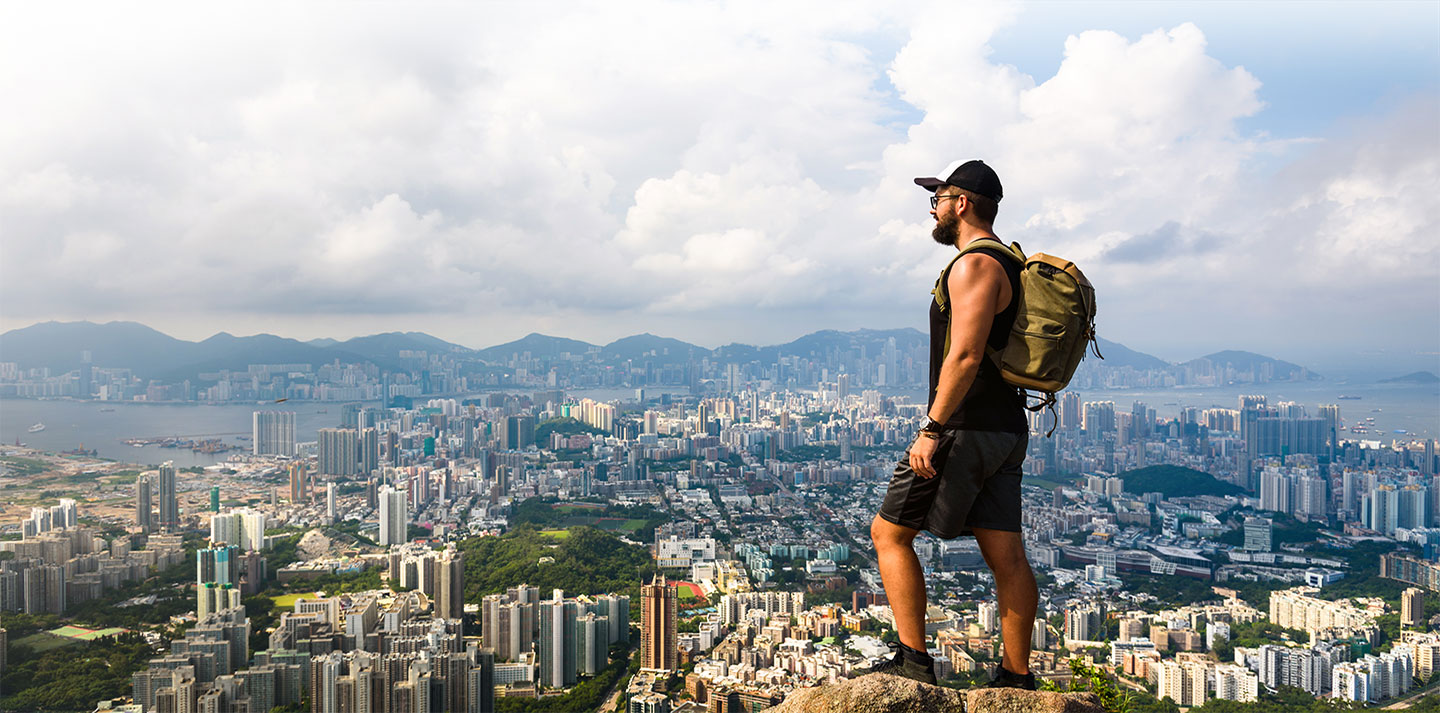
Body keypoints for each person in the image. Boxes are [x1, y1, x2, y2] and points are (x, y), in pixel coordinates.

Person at [861, 159, 1037, 690]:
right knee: (1006, 554)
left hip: (966, 428)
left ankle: (914, 661)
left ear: (961, 203)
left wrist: (933, 428)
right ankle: (1015, 676)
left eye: (937, 198)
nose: (932, 210)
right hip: (1004, 430)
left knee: (888, 534)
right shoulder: (1011, 261)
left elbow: (964, 355)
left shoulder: (976, 265)